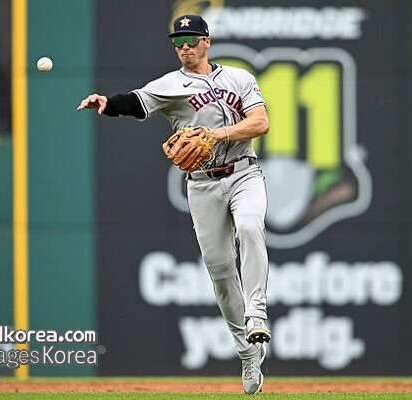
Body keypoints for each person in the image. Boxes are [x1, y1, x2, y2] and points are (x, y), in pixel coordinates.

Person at [77, 14, 271, 395]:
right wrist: (107, 103)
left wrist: (215, 134)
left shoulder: (239, 78)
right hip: (202, 184)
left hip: (244, 173)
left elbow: (260, 123)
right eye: (178, 42)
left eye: (191, 40)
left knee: (250, 226)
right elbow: (135, 102)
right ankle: (247, 353)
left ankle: (257, 313)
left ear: (207, 42)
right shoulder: (170, 85)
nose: (184, 48)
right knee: (219, 269)